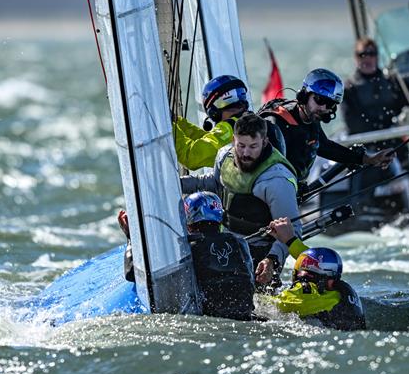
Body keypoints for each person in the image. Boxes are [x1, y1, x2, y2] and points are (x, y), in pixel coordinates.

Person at [180, 113, 300, 288]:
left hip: (260, 252)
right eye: (241, 145)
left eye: (253, 146)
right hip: (225, 241)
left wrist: (272, 260)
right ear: (233, 140)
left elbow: (293, 228)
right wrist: (174, 184)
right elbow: (212, 183)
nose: (245, 153)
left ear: (264, 142)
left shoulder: (277, 180)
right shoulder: (224, 156)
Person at [119, 192, 255, 321]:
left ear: (188, 219)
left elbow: (133, 274)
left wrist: (131, 238)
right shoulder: (240, 244)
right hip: (246, 316)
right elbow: (249, 282)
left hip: (210, 321)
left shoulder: (187, 248)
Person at [260, 68, 393, 184]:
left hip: (292, 189)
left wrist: (368, 159)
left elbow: (324, 146)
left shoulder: (311, 118)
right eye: (320, 100)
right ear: (304, 95)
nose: (323, 107)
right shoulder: (276, 122)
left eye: (329, 104)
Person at [265, 217, 366, 331]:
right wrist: (290, 240)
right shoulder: (342, 291)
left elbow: (266, 306)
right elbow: (314, 259)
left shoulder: (306, 293)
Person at [174, 75, 286, 171]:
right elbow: (208, 141)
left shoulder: (229, 128)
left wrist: (170, 127)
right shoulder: (251, 123)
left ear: (213, 110)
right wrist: (179, 122)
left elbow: (191, 158)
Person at [341, 38, 409, 139]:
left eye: (371, 53)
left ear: (377, 56)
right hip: (367, 142)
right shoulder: (348, 88)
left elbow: (407, 108)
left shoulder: (393, 81)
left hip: (394, 138)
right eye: (362, 54)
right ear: (356, 58)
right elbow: (353, 124)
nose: (367, 58)